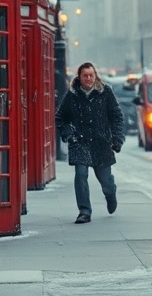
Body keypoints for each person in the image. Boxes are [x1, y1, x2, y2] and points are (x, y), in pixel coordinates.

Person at [55, 62, 125, 224]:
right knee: (80, 175)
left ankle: (111, 193)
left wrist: (117, 138)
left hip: (101, 142)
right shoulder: (72, 95)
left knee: (106, 181)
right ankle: (84, 211)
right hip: (80, 142)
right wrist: (67, 132)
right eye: (85, 75)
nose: (88, 78)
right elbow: (60, 118)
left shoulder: (105, 92)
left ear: (95, 76)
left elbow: (116, 116)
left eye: (91, 75)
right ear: (79, 77)